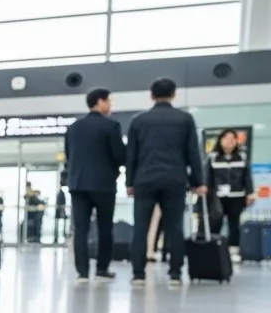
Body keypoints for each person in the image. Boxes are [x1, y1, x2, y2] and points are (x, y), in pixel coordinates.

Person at [127, 77, 205, 287]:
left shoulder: (138, 121)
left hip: (144, 179)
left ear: (151, 96)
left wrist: (129, 182)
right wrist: (198, 181)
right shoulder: (185, 119)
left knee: (141, 228)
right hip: (175, 179)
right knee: (175, 226)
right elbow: (192, 152)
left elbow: (131, 155)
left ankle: (138, 274)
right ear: (174, 94)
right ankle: (175, 274)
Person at [64, 87, 126, 283]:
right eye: (109, 101)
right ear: (101, 101)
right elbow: (119, 155)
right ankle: (102, 268)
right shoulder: (111, 126)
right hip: (103, 184)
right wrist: (115, 171)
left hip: (78, 184)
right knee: (104, 227)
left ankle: (82, 272)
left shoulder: (73, 127)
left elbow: (69, 155)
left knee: (80, 229)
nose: (110, 106)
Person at [206, 128, 255, 254]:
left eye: (232, 139)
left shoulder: (242, 157)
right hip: (218, 197)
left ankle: (234, 249)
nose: (229, 142)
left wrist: (250, 193)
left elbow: (247, 177)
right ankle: (214, 249)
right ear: (220, 141)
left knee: (234, 224)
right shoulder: (213, 157)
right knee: (215, 223)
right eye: (226, 139)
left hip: (237, 195)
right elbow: (208, 178)